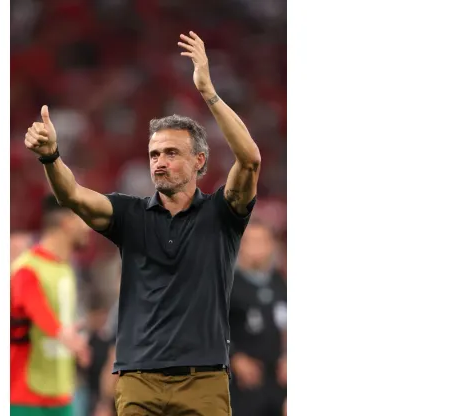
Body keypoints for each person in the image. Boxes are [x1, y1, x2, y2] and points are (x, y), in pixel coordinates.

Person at [24, 31, 261, 416]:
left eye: (171, 152)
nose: (159, 162)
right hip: (137, 380)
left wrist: (208, 92)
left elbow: (249, 160)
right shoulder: (128, 214)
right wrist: (51, 158)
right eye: (153, 154)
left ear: (200, 161)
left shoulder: (222, 213)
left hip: (202, 381)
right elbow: (73, 195)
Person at [10, 195, 93, 416]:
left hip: (61, 394)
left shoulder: (65, 269)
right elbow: (37, 309)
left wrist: (76, 341)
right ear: (66, 223)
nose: (89, 228)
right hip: (25, 398)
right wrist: (62, 334)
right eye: (82, 219)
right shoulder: (26, 268)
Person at [228, 220, 287, 416]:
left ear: (271, 245)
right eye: (251, 241)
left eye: (262, 241)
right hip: (242, 383)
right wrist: (235, 358)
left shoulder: (280, 283)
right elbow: (212, 328)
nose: (257, 247)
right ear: (240, 245)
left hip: (277, 381)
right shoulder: (228, 286)